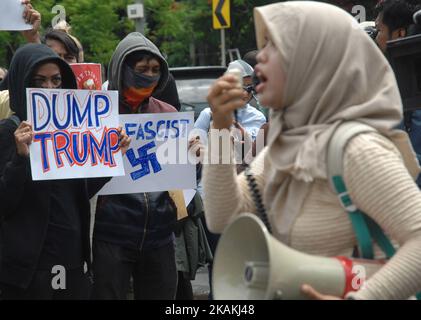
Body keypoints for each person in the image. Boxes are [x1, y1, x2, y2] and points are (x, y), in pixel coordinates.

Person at [203, 1, 421, 300]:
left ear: (311, 60)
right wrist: (219, 127)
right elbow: (222, 218)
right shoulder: (283, 149)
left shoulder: (357, 149)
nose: (259, 60)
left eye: (273, 46)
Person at [0, 43, 130, 300]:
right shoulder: (8, 132)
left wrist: (111, 156)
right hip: (28, 270)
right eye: (39, 81)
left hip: (70, 260)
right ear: (21, 83)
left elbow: (80, 192)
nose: (50, 89)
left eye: (56, 80)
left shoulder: (72, 131)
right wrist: (20, 159)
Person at [92, 32, 179, 300]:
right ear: (122, 70)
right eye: (142, 70)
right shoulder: (98, 116)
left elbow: (179, 177)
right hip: (111, 233)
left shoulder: (168, 114)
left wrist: (194, 157)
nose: (149, 76)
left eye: (155, 70)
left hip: (160, 235)